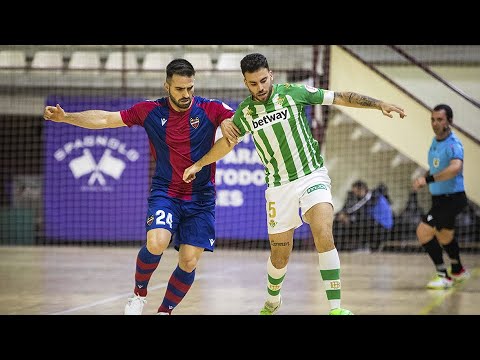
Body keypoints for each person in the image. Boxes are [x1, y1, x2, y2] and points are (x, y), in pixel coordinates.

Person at [183, 53, 406, 315]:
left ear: (271, 75)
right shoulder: (245, 112)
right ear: (245, 83)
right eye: (253, 84)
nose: (261, 87)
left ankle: (336, 307)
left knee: (323, 230)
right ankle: (273, 300)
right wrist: (199, 164)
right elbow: (227, 143)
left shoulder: (293, 93)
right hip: (279, 187)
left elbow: (339, 97)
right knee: (280, 254)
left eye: (264, 80)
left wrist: (378, 104)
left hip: (312, 175)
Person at [43, 58, 238, 315]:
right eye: (180, 89)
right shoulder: (149, 111)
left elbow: (235, 122)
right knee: (157, 242)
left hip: (201, 197)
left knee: (189, 261)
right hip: (166, 192)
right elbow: (104, 119)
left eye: (190, 88)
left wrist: (228, 122)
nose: (186, 94)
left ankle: (164, 311)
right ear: (166, 86)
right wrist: (66, 117)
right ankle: (138, 295)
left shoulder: (210, 108)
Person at [412, 104, 470, 290]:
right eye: (433, 119)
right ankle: (458, 270)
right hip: (440, 198)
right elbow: (438, 168)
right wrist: (425, 178)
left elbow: (455, 168)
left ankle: (443, 275)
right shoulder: (436, 141)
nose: (435, 123)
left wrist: (428, 179)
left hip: (451, 198)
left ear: (449, 121)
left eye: (440, 119)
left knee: (423, 231)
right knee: (445, 236)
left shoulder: (453, 143)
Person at [333, 180, 394, 251]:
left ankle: (362, 247)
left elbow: (356, 208)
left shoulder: (371, 196)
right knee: (348, 221)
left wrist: (344, 215)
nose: (355, 194)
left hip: (383, 227)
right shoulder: (368, 197)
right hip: (377, 225)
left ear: (362, 189)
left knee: (357, 221)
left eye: (356, 192)